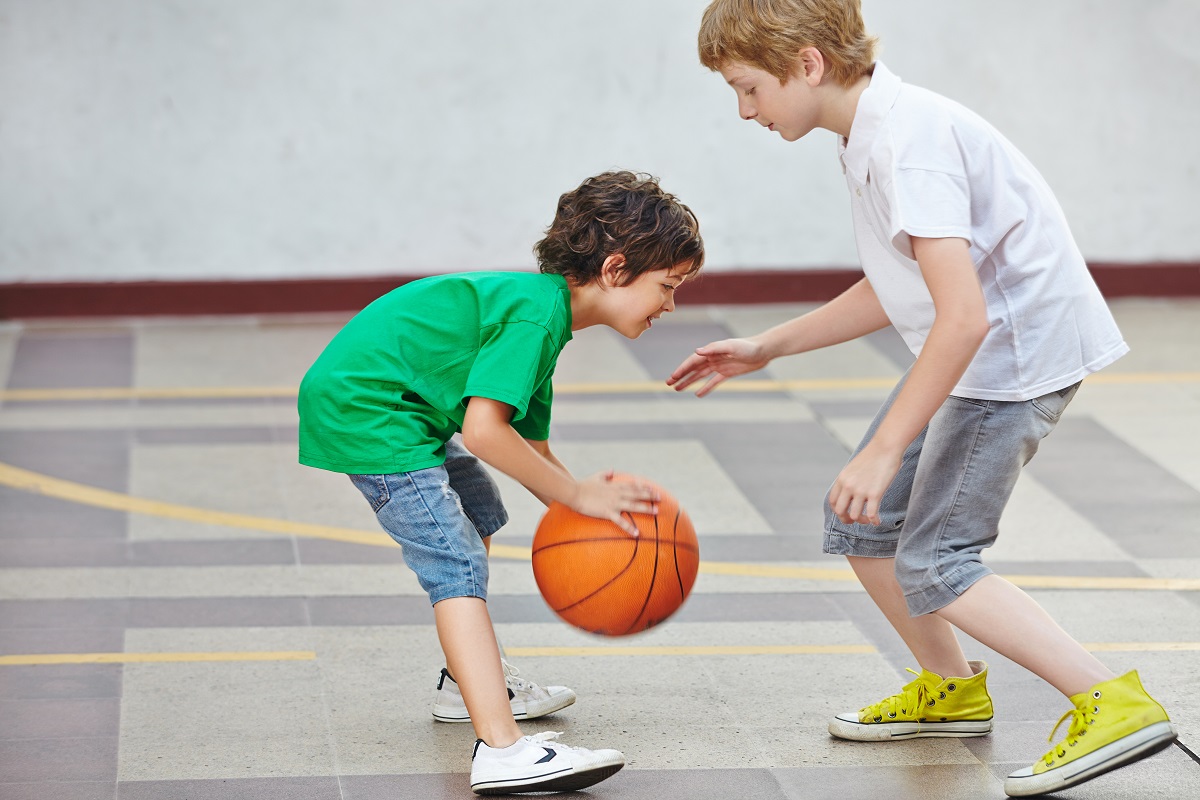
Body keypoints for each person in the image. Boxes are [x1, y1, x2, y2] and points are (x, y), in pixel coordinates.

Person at [668, 1, 1176, 796]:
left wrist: (879, 449)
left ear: (806, 64)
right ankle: (951, 691)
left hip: (1010, 366)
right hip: (982, 355)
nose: (743, 111)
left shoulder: (911, 145)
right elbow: (898, 284)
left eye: (748, 88)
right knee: (859, 523)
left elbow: (963, 318)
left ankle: (1115, 703)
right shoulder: (870, 134)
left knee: (938, 558)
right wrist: (770, 346)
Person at [299, 170, 704, 794]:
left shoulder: (543, 316)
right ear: (617, 269)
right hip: (371, 411)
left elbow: (530, 446)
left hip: (400, 406)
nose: (671, 306)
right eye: (668, 287)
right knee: (453, 561)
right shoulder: (535, 319)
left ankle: (465, 688)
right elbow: (486, 434)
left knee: (479, 509)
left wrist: (590, 515)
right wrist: (576, 496)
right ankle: (502, 749)